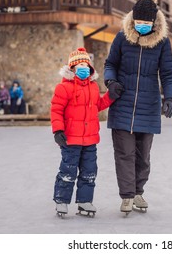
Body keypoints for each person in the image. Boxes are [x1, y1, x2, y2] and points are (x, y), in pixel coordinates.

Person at [104, 0, 172, 215]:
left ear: (154, 22)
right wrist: (110, 81)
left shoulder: (162, 42)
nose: (141, 25)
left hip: (148, 105)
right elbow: (110, 64)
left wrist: (171, 98)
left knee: (143, 155)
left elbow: (167, 73)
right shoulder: (121, 37)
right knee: (124, 153)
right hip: (123, 103)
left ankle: (138, 192)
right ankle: (127, 197)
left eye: (146, 22)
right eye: (138, 21)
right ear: (133, 19)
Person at [51, 47, 114, 217]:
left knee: (89, 171)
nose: (83, 68)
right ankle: (62, 201)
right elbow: (56, 110)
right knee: (68, 171)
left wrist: (110, 96)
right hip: (70, 140)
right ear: (71, 69)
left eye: (86, 65)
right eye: (79, 66)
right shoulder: (63, 88)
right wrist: (58, 130)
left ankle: (85, 201)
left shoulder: (93, 87)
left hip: (90, 139)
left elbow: (98, 106)